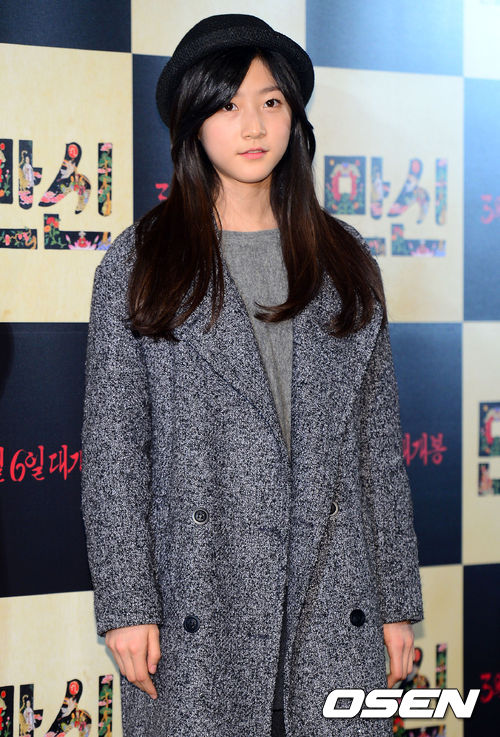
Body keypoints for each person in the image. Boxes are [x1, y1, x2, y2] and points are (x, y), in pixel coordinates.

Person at [80, 13, 424, 737]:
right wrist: (127, 603)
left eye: (271, 101)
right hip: (199, 590)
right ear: (194, 122)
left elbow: (377, 451)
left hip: (334, 592)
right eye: (229, 105)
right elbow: (114, 451)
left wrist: (397, 603)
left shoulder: (346, 260)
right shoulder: (142, 262)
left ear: (294, 116)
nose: (254, 125)